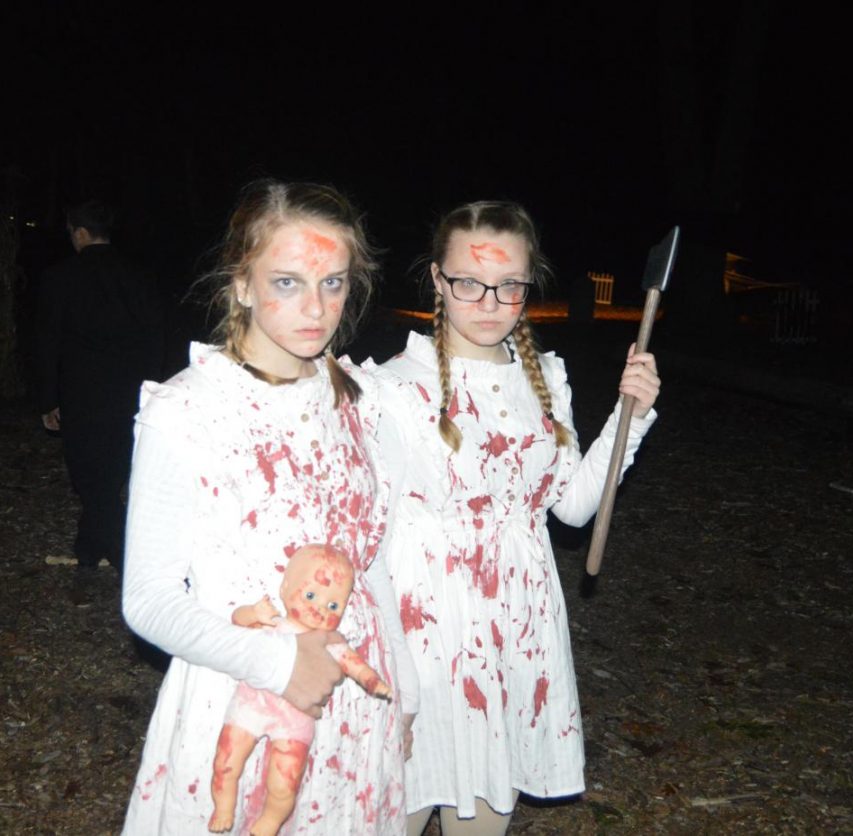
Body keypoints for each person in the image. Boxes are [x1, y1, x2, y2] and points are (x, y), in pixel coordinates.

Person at [122, 180, 417, 835]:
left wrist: (404, 700)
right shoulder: (187, 410)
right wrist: (281, 666)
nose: (315, 308)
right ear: (242, 284)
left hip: (353, 717)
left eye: (333, 283)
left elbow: (371, 569)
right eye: (287, 283)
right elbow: (147, 599)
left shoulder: (359, 401)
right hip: (238, 704)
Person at [370, 201, 660, 835]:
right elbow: (367, 539)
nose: (489, 302)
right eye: (468, 282)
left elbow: (575, 507)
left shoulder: (545, 383)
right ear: (438, 281)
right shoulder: (391, 389)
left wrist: (629, 417)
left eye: (509, 286)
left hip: (517, 632)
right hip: (424, 639)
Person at [210, 543, 392, 836]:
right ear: (284, 589)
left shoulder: (330, 641)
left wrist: (374, 682)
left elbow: (354, 664)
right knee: (226, 764)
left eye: (334, 606)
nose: (320, 608)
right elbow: (237, 620)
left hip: (295, 721)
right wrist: (253, 611)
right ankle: (224, 805)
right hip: (249, 707)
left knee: (284, 786)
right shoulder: (273, 623)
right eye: (310, 595)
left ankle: (270, 822)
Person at [35, 200, 165, 571]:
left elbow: (48, 344)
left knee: (90, 478)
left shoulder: (60, 277)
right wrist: (151, 389)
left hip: (83, 396)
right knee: (110, 474)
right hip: (130, 393)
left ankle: (129, 562)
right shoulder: (139, 276)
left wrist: (48, 399)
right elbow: (156, 336)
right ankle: (89, 549)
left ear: (79, 232)